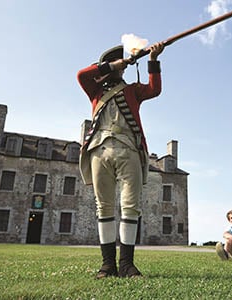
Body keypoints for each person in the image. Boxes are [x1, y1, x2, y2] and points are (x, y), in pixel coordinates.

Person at [77, 42, 165, 278]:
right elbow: (81, 75)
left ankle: (126, 264)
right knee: (103, 207)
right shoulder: (94, 90)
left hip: (129, 150)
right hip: (99, 150)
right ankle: (108, 265)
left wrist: (153, 60)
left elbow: (154, 89)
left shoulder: (132, 90)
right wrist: (109, 65)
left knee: (131, 207)